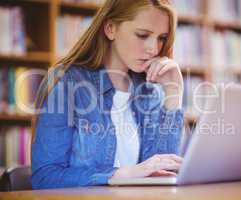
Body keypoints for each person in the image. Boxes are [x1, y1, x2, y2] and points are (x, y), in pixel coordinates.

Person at [31, 0, 184, 189]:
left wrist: (173, 92)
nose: (153, 48)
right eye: (142, 35)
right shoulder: (67, 82)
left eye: (162, 38)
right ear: (110, 28)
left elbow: (163, 172)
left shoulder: (150, 91)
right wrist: (122, 174)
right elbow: (45, 178)